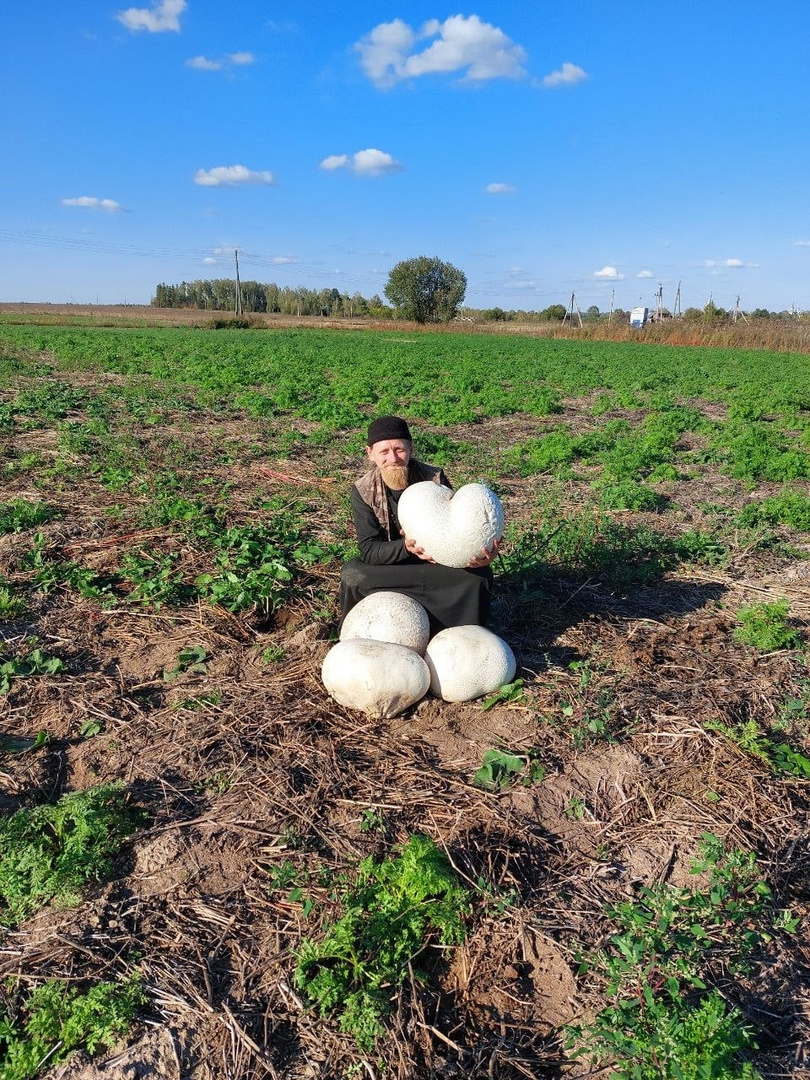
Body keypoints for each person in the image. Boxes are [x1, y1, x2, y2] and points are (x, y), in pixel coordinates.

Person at [338, 415, 499, 633]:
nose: (393, 458)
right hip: (391, 567)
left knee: (479, 577)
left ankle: (457, 636)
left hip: (433, 564)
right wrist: (405, 547)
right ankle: (365, 632)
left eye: (399, 449)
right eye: (384, 451)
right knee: (353, 575)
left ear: (411, 449)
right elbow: (368, 549)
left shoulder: (433, 478)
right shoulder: (363, 490)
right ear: (370, 454)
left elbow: (460, 528)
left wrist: (479, 554)